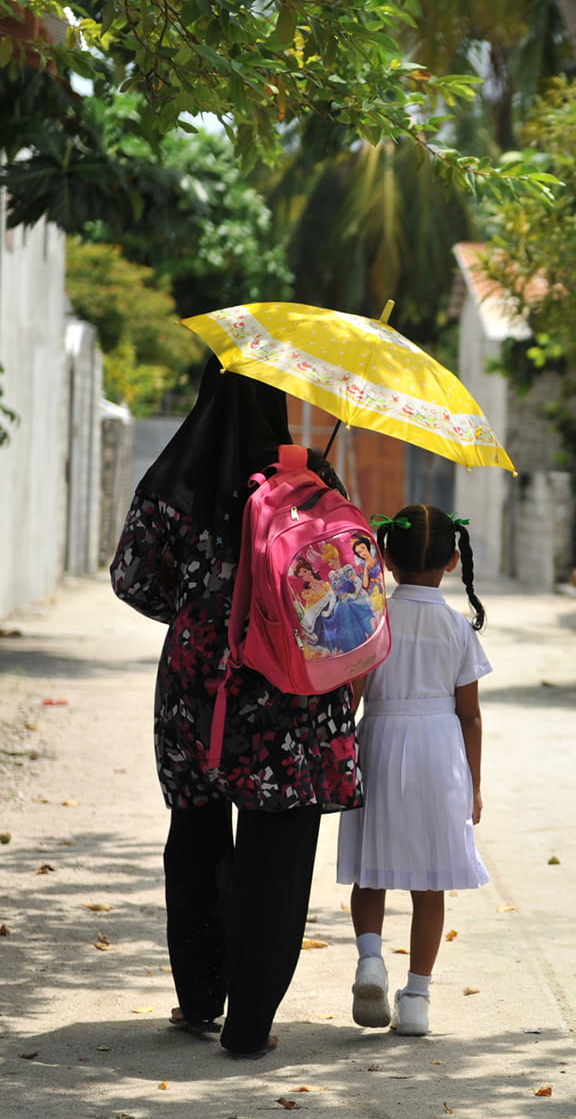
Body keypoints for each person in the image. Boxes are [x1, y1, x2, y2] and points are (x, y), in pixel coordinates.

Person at [109, 370, 362, 1059]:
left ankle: (199, 998)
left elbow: (132, 578)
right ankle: (249, 1025)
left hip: (198, 684)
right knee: (277, 849)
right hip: (288, 689)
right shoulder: (308, 477)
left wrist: (197, 606)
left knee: (195, 831)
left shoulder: (173, 479)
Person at [336, 504, 490, 1036]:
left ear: (386, 558)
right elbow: (470, 716)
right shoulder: (457, 628)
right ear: (453, 560)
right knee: (431, 885)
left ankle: (370, 961)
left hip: (379, 741)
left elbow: (352, 698)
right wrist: (473, 785)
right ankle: (418, 998)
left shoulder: (372, 619)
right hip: (438, 750)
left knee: (370, 869)